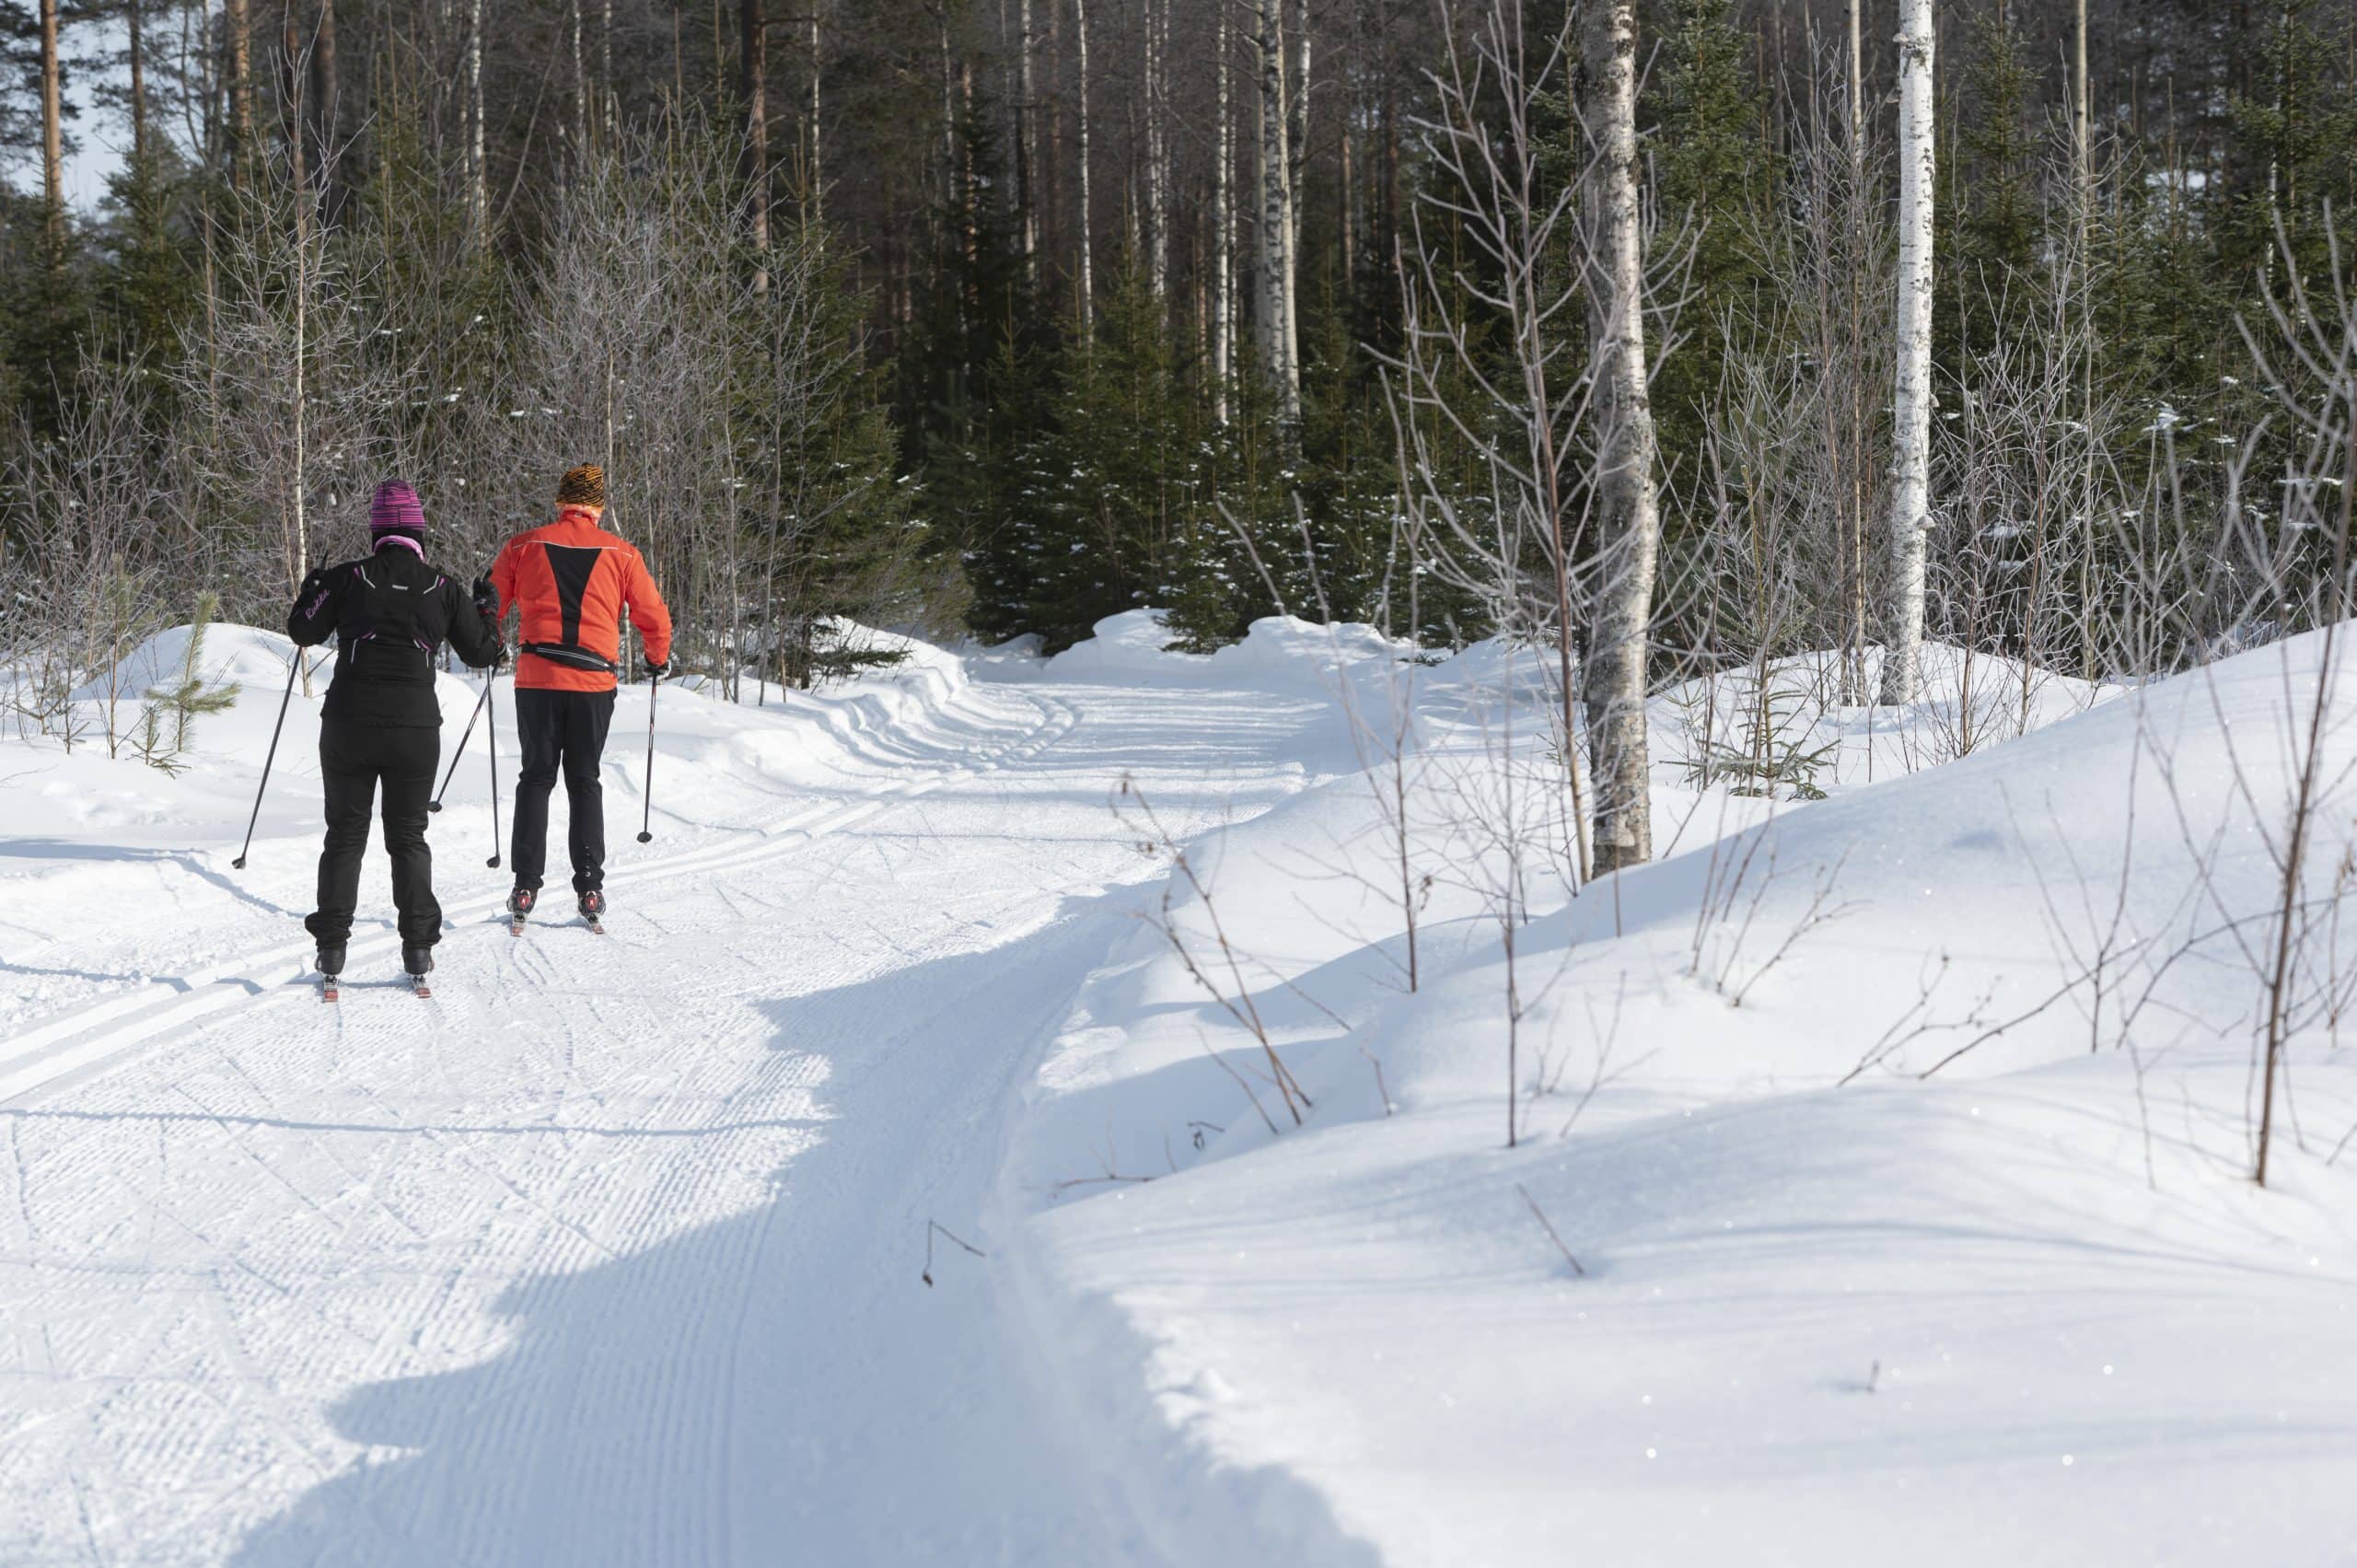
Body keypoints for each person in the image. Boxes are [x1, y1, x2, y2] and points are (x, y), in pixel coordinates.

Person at [288, 481, 505, 984]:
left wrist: (312, 590)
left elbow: (302, 630)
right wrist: (488, 608)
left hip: (348, 725)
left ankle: (332, 949)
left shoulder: (347, 579)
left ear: (377, 532)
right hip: (414, 729)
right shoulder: (442, 588)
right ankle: (417, 949)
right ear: (418, 532)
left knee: (345, 836)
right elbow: (484, 653)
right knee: (407, 837)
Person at [482, 464, 673, 929]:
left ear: (561, 502)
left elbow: (489, 601)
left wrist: (489, 641)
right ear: (598, 507)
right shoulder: (623, 553)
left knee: (536, 778)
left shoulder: (522, 545)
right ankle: (589, 886)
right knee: (584, 780)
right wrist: (656, 658)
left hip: (538, 680)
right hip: (592, 685)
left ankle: (525, 883)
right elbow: (654, 617)